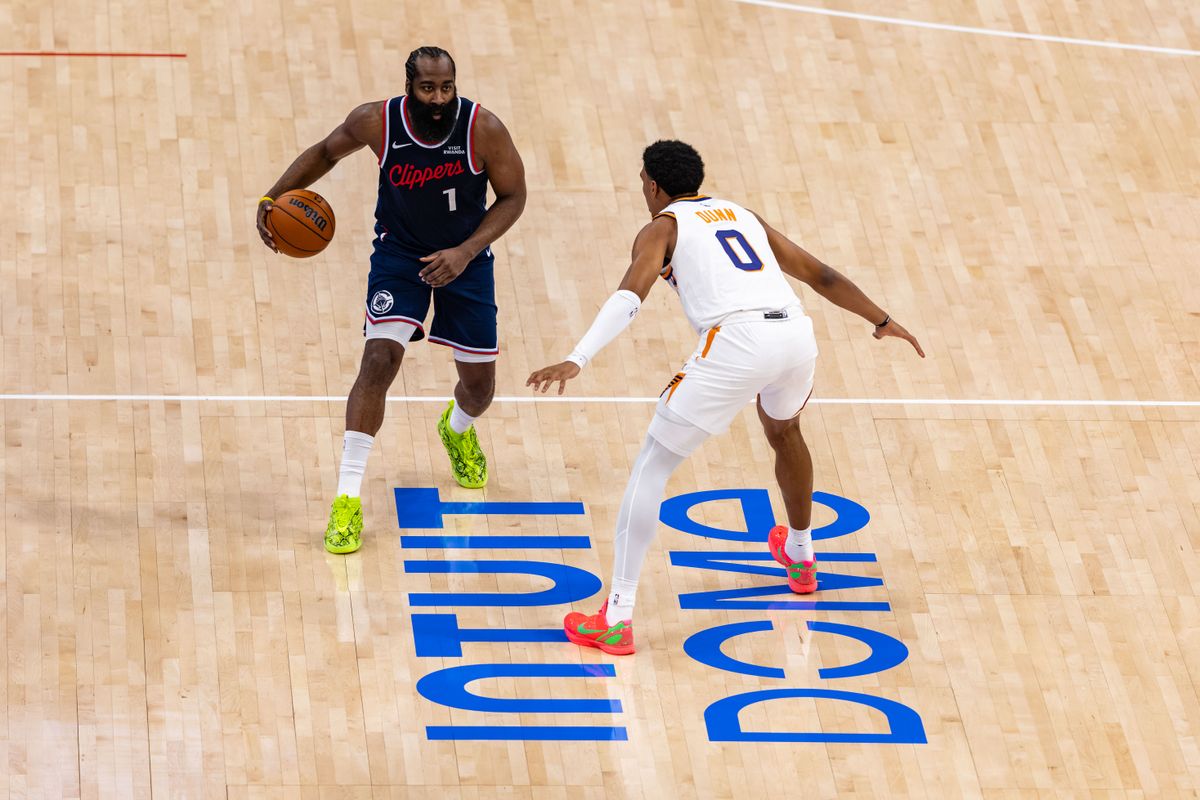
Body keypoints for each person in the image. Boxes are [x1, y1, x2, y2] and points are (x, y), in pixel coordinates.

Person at [527, 140, 923, 655]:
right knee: (785, 431)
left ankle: (616, 618)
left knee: (651, 467)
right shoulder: (741, 213)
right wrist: (883, 321)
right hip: (795, 335)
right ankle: (802, 557)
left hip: (737, 341)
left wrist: (577, 357)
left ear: (653, 184)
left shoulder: (661, 228)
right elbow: (820, 274)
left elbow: (630, 296)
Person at [257, 46, 526, 554]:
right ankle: (346, 500)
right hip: (400, 257)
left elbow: (515, 196)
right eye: (428, 88)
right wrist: (272, 197)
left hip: (466, 260)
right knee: (378, 361)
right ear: (409, 87)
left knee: (480, 388)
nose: (439, 98)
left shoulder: (482, 128)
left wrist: (466, 251)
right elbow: (324, 153)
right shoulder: (376, 121)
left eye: (447, 87)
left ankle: (458, 426)